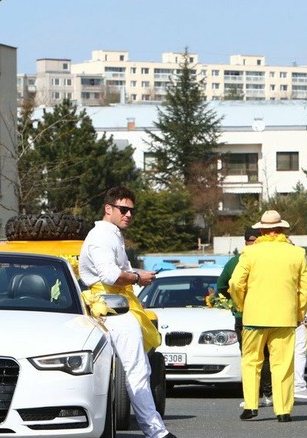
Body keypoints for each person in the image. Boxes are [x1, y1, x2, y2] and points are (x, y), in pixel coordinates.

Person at [79, 186, 177, 438]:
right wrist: (137, 277)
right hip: (112, 308)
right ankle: (155, 431)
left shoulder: (109, 235)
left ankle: (152, 430)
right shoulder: (102, 237)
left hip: (114, 305)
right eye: (123, 209)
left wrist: (135, 277)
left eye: (131, 210)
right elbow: (110, 275)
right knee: (137, 370)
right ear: (108, 208)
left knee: (133, 370)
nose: (129, 215)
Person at [229, 210, 307, 423]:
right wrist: (299, 313)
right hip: (285, 317)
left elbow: (235, 283)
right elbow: (305, 288)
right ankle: (283, 410)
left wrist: (241, 305)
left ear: (262, 231)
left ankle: (251, 405)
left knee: (251, 361)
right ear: (282, 229)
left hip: (254, 317)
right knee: (282, 364)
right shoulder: (297, 253)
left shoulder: (250, 253)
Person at [216, 227, 272, 407]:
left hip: (244, 314)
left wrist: (235, 299)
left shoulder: (235, 262)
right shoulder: (268, 260)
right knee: (266, 356)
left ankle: (252, 397)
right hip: (266, 313)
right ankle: (268, 394)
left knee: (249, 358)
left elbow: (221, 286)